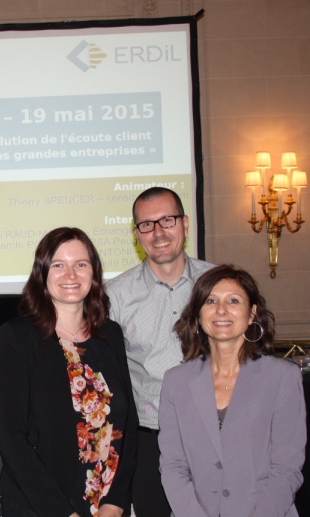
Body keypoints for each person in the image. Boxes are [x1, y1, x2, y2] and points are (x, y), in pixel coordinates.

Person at [0, 227, 137, 517]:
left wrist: (116, 502)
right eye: (58, 265)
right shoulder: (16, 337)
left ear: (94, 273)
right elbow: (10, 437)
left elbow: (128, 424)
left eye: (80, 264)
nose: (71, 275)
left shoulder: (111, 335)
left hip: (106, 507)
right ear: (42, 273)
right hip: (40, 508)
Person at [159, 264, 306, 516]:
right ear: (198, 315)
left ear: (251, 314)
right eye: (211, 301)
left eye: (234, 301)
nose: (221, 310)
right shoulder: (176, 381)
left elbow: (286, 469)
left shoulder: (282, 377)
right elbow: (173, 466)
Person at [105, 186, 213, 515]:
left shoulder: (219, 284)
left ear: (185, 223)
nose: (158, 233)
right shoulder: (115, 296)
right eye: (146, 225)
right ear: (137, 234)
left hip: (215, 434)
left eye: (167, 220)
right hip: (149, 441)